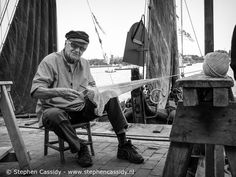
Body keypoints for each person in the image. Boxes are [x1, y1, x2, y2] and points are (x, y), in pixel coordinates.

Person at [30, 30, 144, 167]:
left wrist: (93, 93)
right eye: (74, 46)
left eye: (82, 48)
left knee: (110, 95)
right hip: (56, 112)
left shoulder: (85, 63)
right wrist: (59, 92)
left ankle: (123, 145)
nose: (78, 50)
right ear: (66, 43)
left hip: (79, 109)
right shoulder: (50, 61)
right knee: (54, 114)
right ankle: (80, 148)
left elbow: (92, 86)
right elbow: (36, 91)